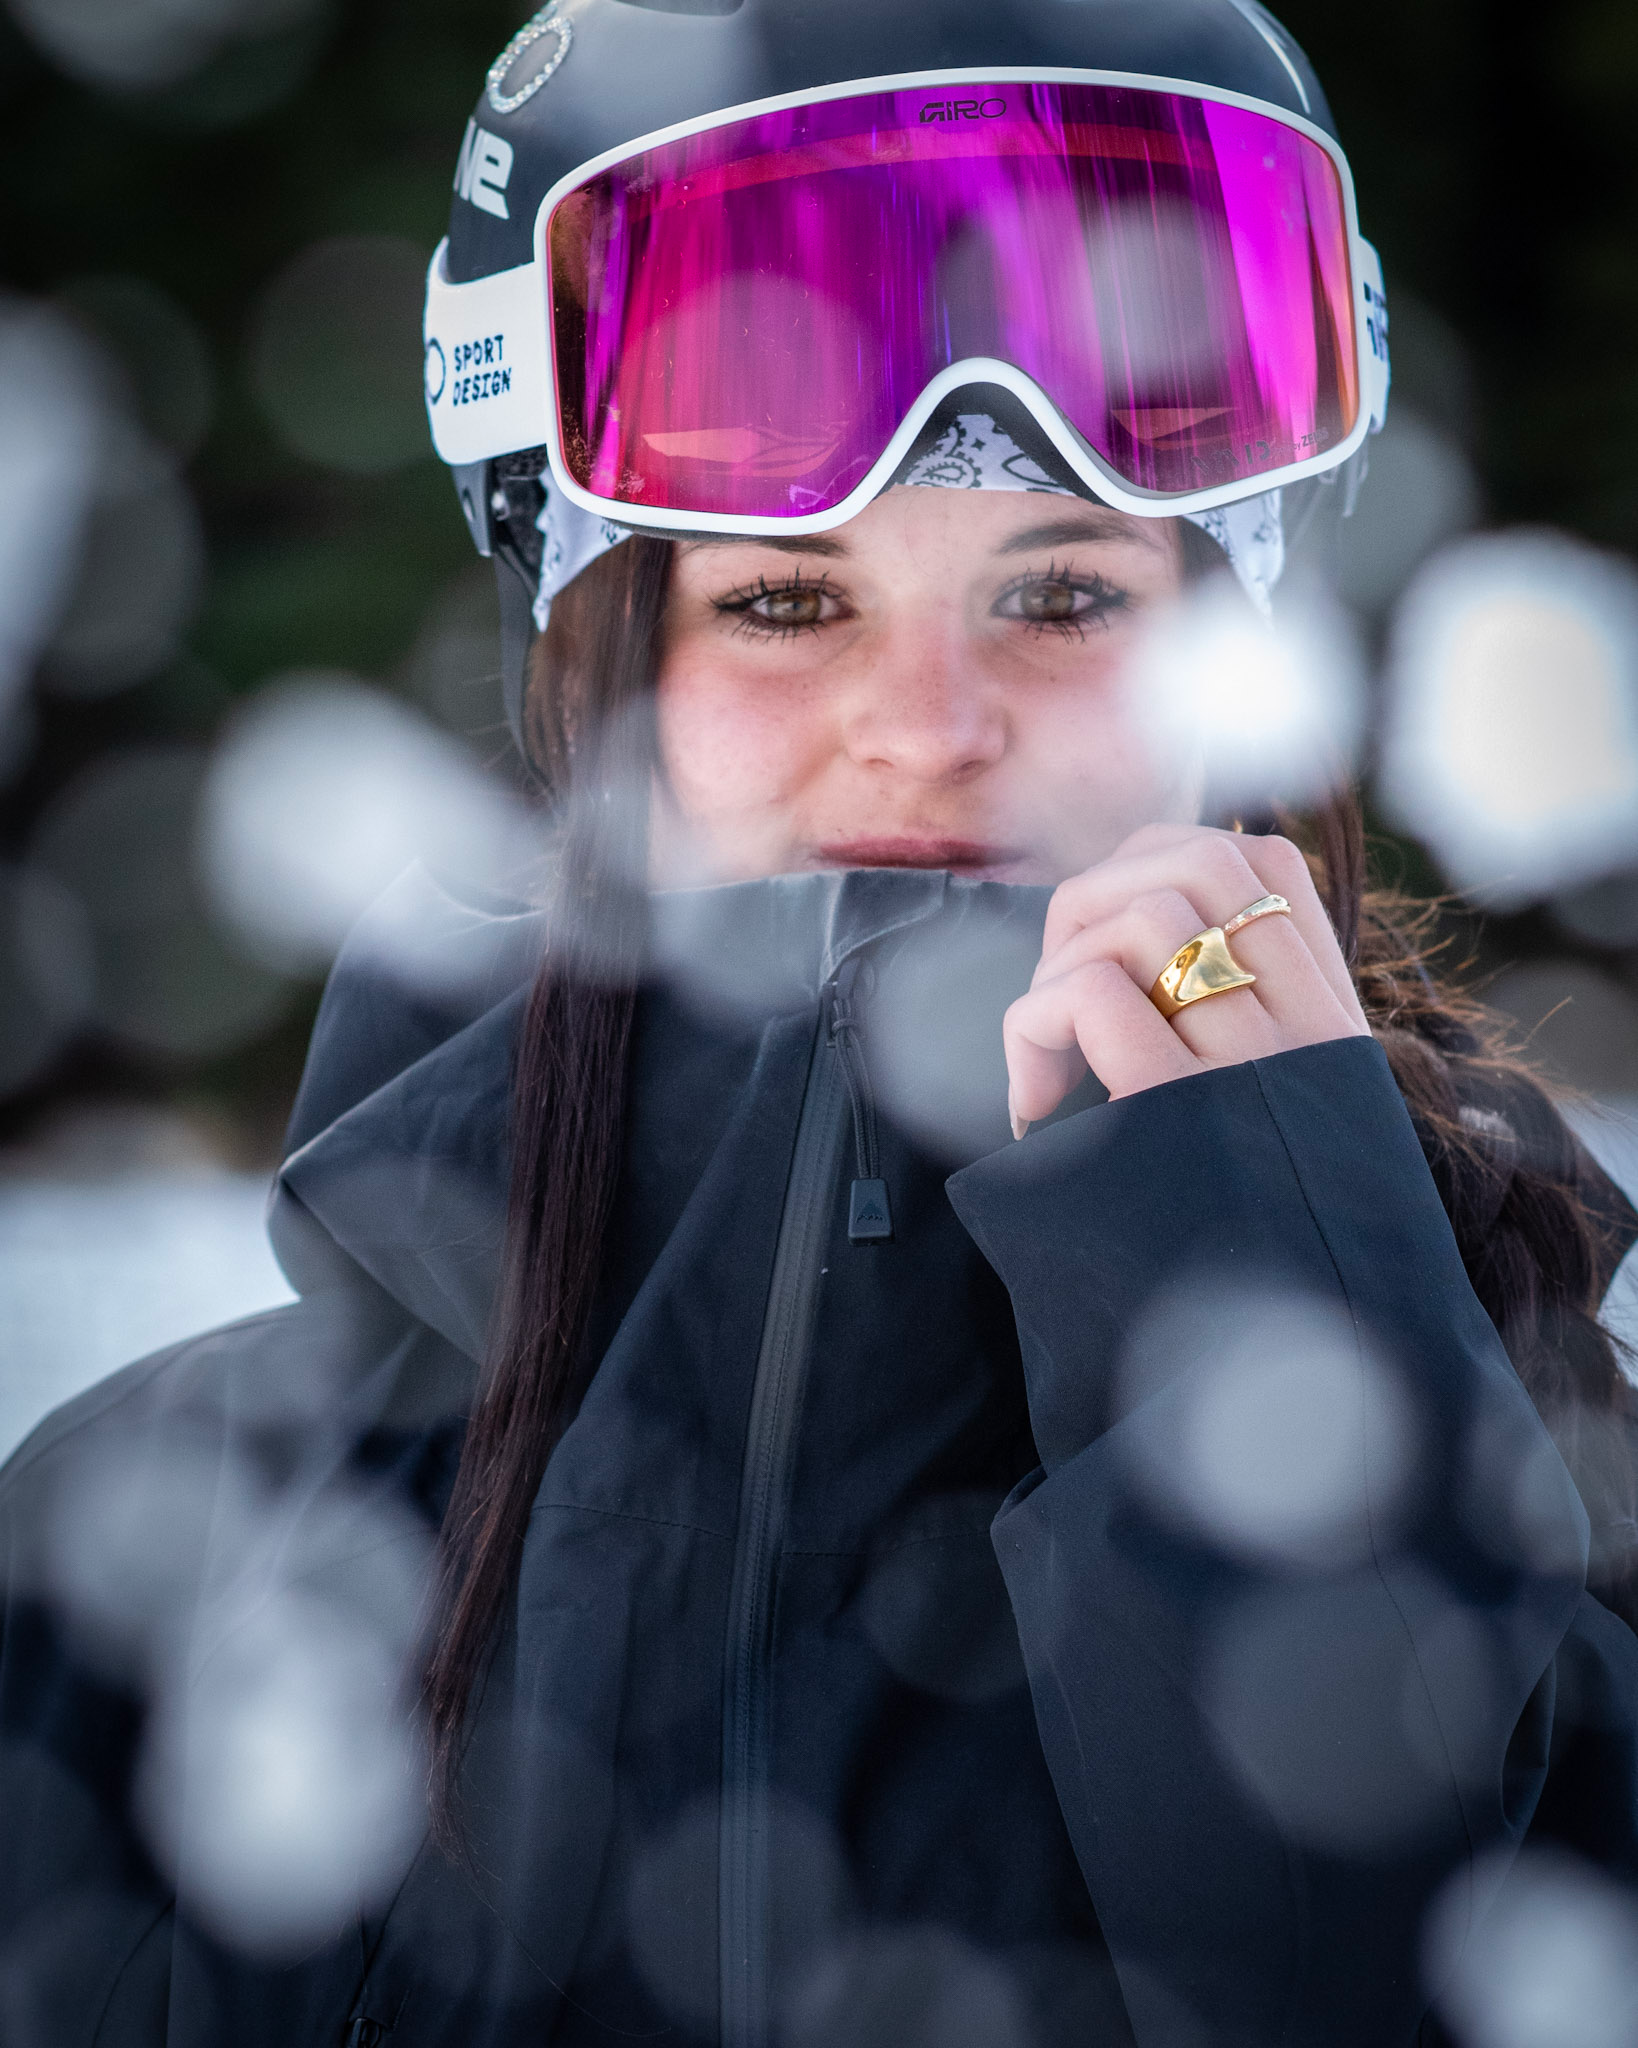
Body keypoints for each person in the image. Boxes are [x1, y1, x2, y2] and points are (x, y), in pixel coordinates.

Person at [3, 3, 1637, 2044]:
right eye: (786, 601)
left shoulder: (1550, 1490)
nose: (933, 728)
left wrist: (1306, 1374)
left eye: (1064, 597)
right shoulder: (156, 1543)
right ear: (601, 673)